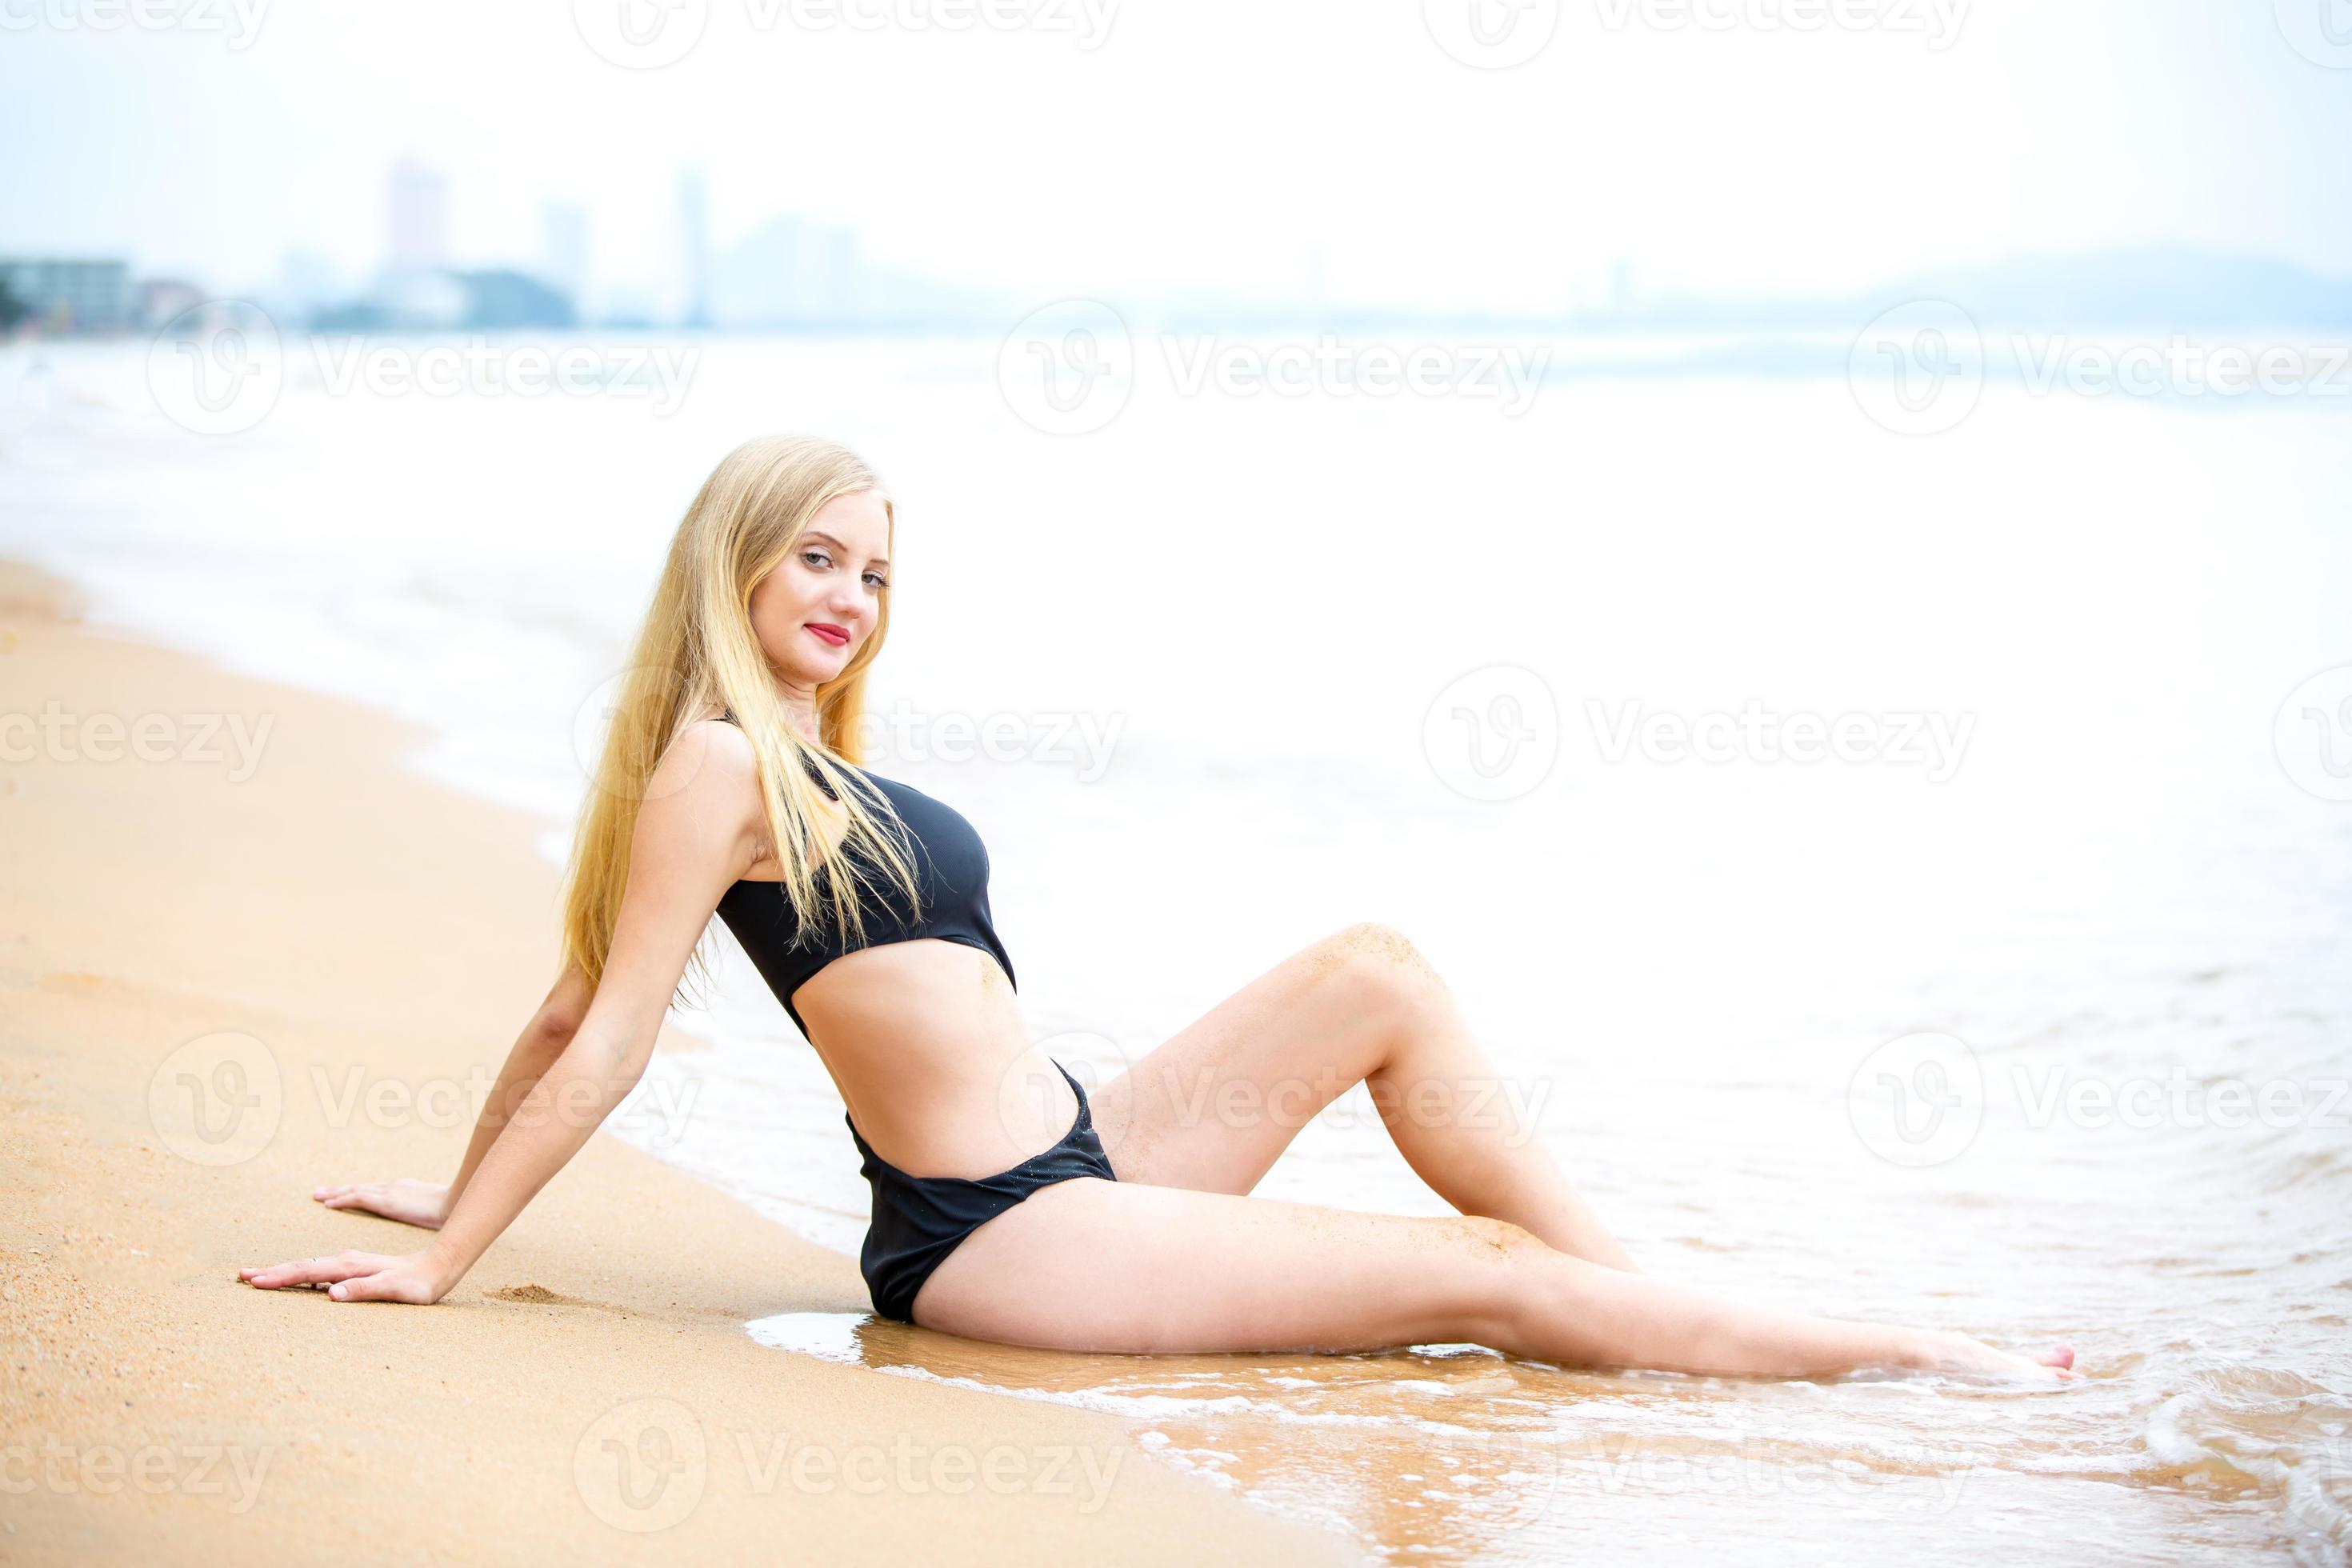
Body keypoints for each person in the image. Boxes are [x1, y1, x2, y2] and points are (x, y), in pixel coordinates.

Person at [242, 433, 2078, 1384]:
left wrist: (447, 1168)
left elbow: (561, 1001)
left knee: (1380, 969)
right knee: (1483, 1286)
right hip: (987, 1241)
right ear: (734, 556)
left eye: (875, 569)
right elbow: (616, 1023)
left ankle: (1637, 1288)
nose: (852, 594)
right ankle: (1904, 1356)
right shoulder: (718, 766)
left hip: (1084, 1164)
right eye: (817, 554)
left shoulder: (802, 754)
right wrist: (450, 1251)